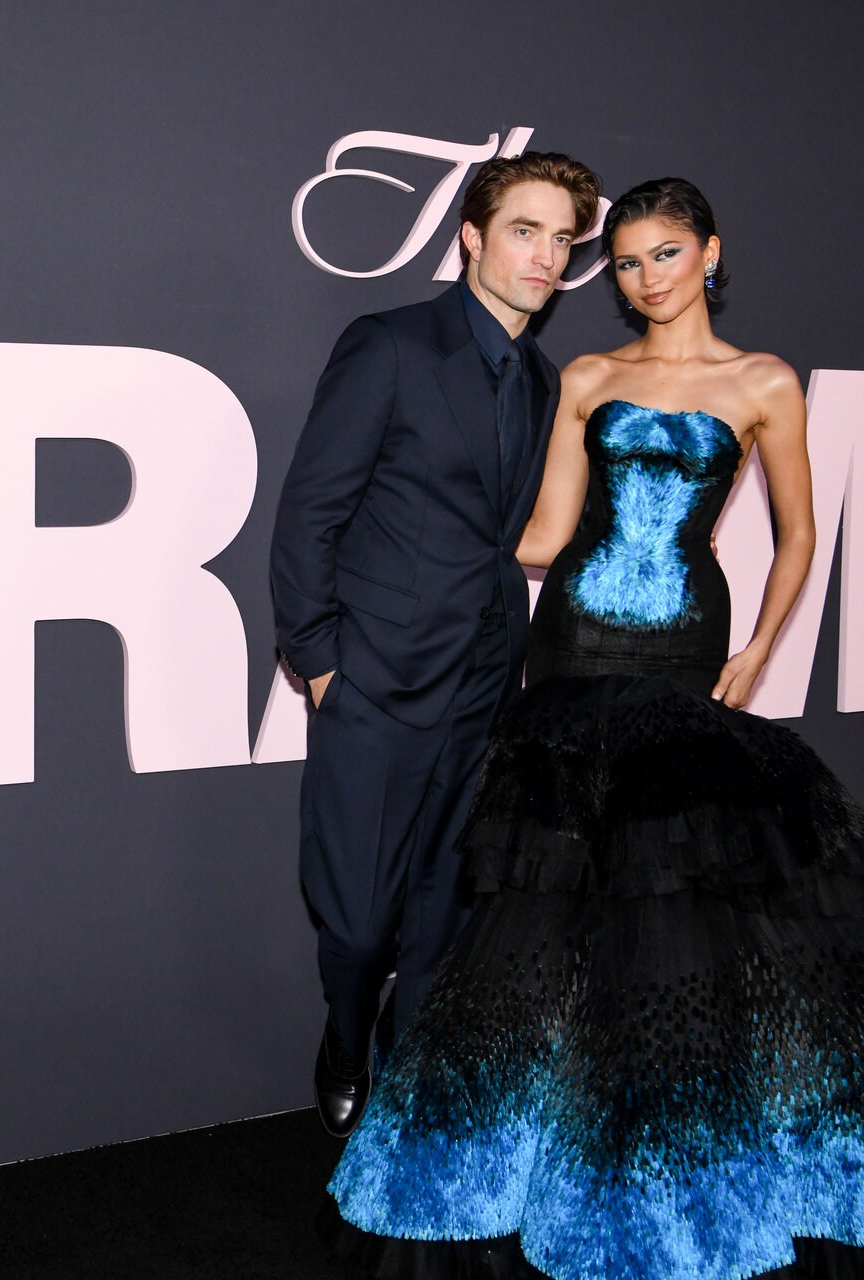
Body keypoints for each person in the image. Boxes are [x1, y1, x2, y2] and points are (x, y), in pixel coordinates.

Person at [322, 178, 864, 1279]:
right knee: (552, 901)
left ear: (709, 254)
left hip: (686, 646)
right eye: (625, 261)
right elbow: (543, 537)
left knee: (682, 893)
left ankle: (687, 1132)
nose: (645, 277)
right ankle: (550, 1139)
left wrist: (761, 644)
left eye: (665, 254)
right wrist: (410, 516)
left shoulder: (764, 381)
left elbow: (801, 532)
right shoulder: (587, 375)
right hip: (571, 646)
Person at [271, 152, 604, 1138]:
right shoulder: (391, 346)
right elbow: (309, 515)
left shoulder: (542, 380)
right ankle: (346, 1035)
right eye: (524, 231)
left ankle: (407, 1072)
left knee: (445, 912)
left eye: (562, 240)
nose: (545, 257)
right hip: (377, 682)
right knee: (358, 920)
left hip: (487, 684)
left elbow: (517, 534)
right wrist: (321, 664)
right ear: (471, 237)